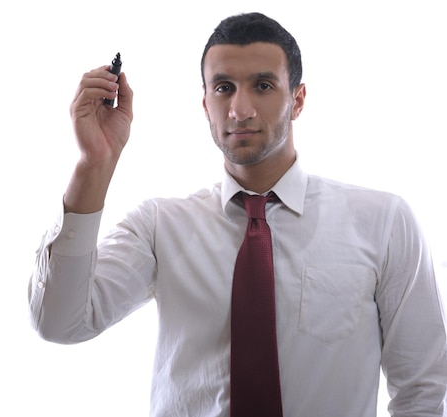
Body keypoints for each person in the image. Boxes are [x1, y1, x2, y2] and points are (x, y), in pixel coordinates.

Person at [29, 12, 447, 417]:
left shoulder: (384, 222)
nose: (240, 109)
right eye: (224, 87)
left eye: (263, 86)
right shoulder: (159, 226)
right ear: (205, 102)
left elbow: (421, 392)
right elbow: (60, 323)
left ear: (297, 99)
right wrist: (93, 164)